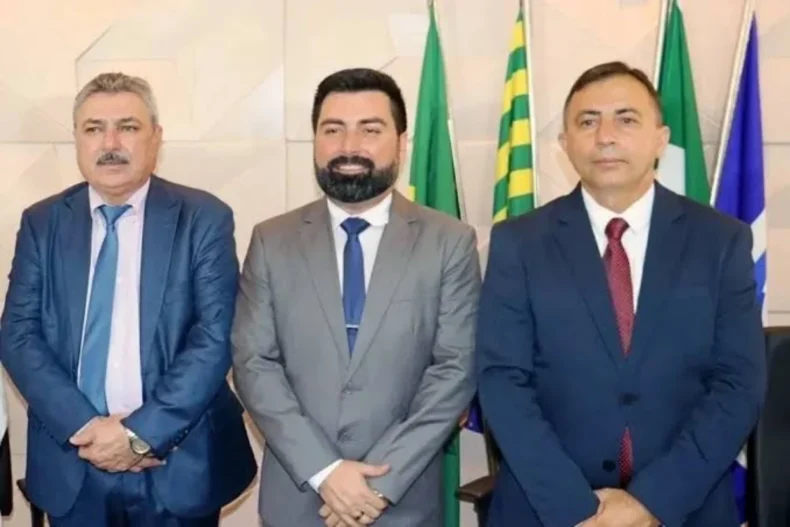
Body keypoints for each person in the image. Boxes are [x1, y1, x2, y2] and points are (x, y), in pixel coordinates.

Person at [476, 61, 766, 527]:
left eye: (626, 119)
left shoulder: (720, 241)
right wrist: (576, 509)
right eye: (587, 121)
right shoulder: (519, 243)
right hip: (548, 509)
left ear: (661, 138)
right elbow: (502, 381)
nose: (605, 136)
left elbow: (738, 383)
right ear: (565, 143)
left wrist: (651, 502)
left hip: (683, 508)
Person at [0, 72, 256, 526]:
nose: (110, 143)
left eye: (128, 127)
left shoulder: (203, 218)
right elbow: (18, 336)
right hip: (74, 462)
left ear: (156, 137)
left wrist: (140, 435)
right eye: (93, 128)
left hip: (176, 462)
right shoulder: (42, 223)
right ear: (76, 139)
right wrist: (86, 428)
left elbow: (215, 337)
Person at [231, 67, 480, 527]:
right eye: (333, 129)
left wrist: (377, 485)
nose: (349, 146)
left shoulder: (450, 242)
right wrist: (325, 471)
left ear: (401, 143)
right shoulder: (271, 240)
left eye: (370, 129)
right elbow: (253, 364)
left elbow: (454, 370)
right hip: (299, 499)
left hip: (401, 501)